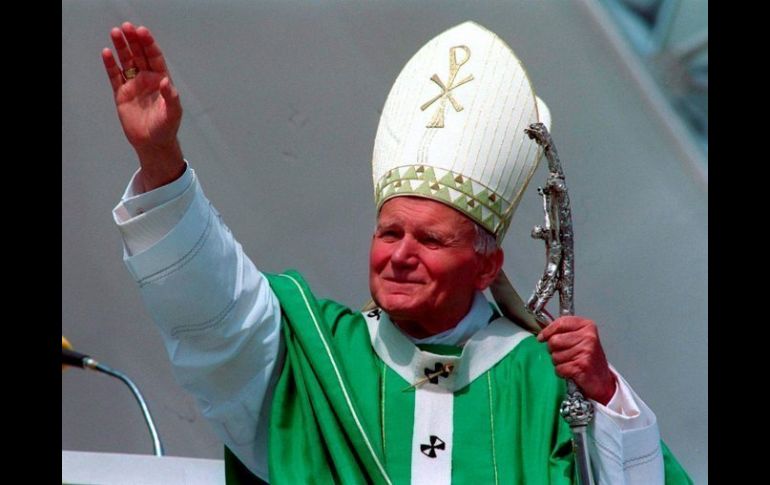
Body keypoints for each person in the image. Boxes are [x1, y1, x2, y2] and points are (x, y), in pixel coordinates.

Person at [103, 20, 691, 484]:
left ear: (486, 265)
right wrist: (160, 158)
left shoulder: (543, 382)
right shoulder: (320, 359)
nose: (401, 255)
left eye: (430, 240)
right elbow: (214, 311)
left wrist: (605, 394)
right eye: (389, 233)